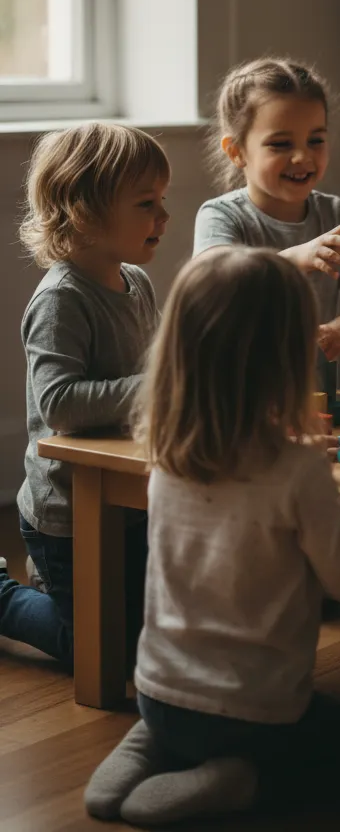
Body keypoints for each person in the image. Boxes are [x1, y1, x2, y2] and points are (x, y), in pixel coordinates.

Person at [85, 247, 340, 826]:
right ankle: (240, 779)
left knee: (178, 718)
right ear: (287, 360)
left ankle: (151, 742)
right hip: (255, 714)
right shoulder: (297, 469)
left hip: (159, 692)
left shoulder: (166, 458)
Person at [0, 123, 169, 668]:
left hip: (128, 494)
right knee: (98, 652)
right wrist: (158, 387)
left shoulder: (136, 282)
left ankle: (59, 591)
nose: (163, 217)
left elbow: (161, 364)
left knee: (151, 632)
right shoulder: (61, 300)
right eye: (147, 203)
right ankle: (6, 595)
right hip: (69, 509)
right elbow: (60, 404)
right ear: (85, 214)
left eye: (161, 201)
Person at [194, 57, 340, 387]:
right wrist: (295, 258)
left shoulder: (337, 214)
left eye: (316, 140)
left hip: (315, 400)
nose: (302, 157)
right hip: (239, 397)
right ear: (237, 151)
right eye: (280, 144)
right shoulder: (221, 216)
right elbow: (216, 288)